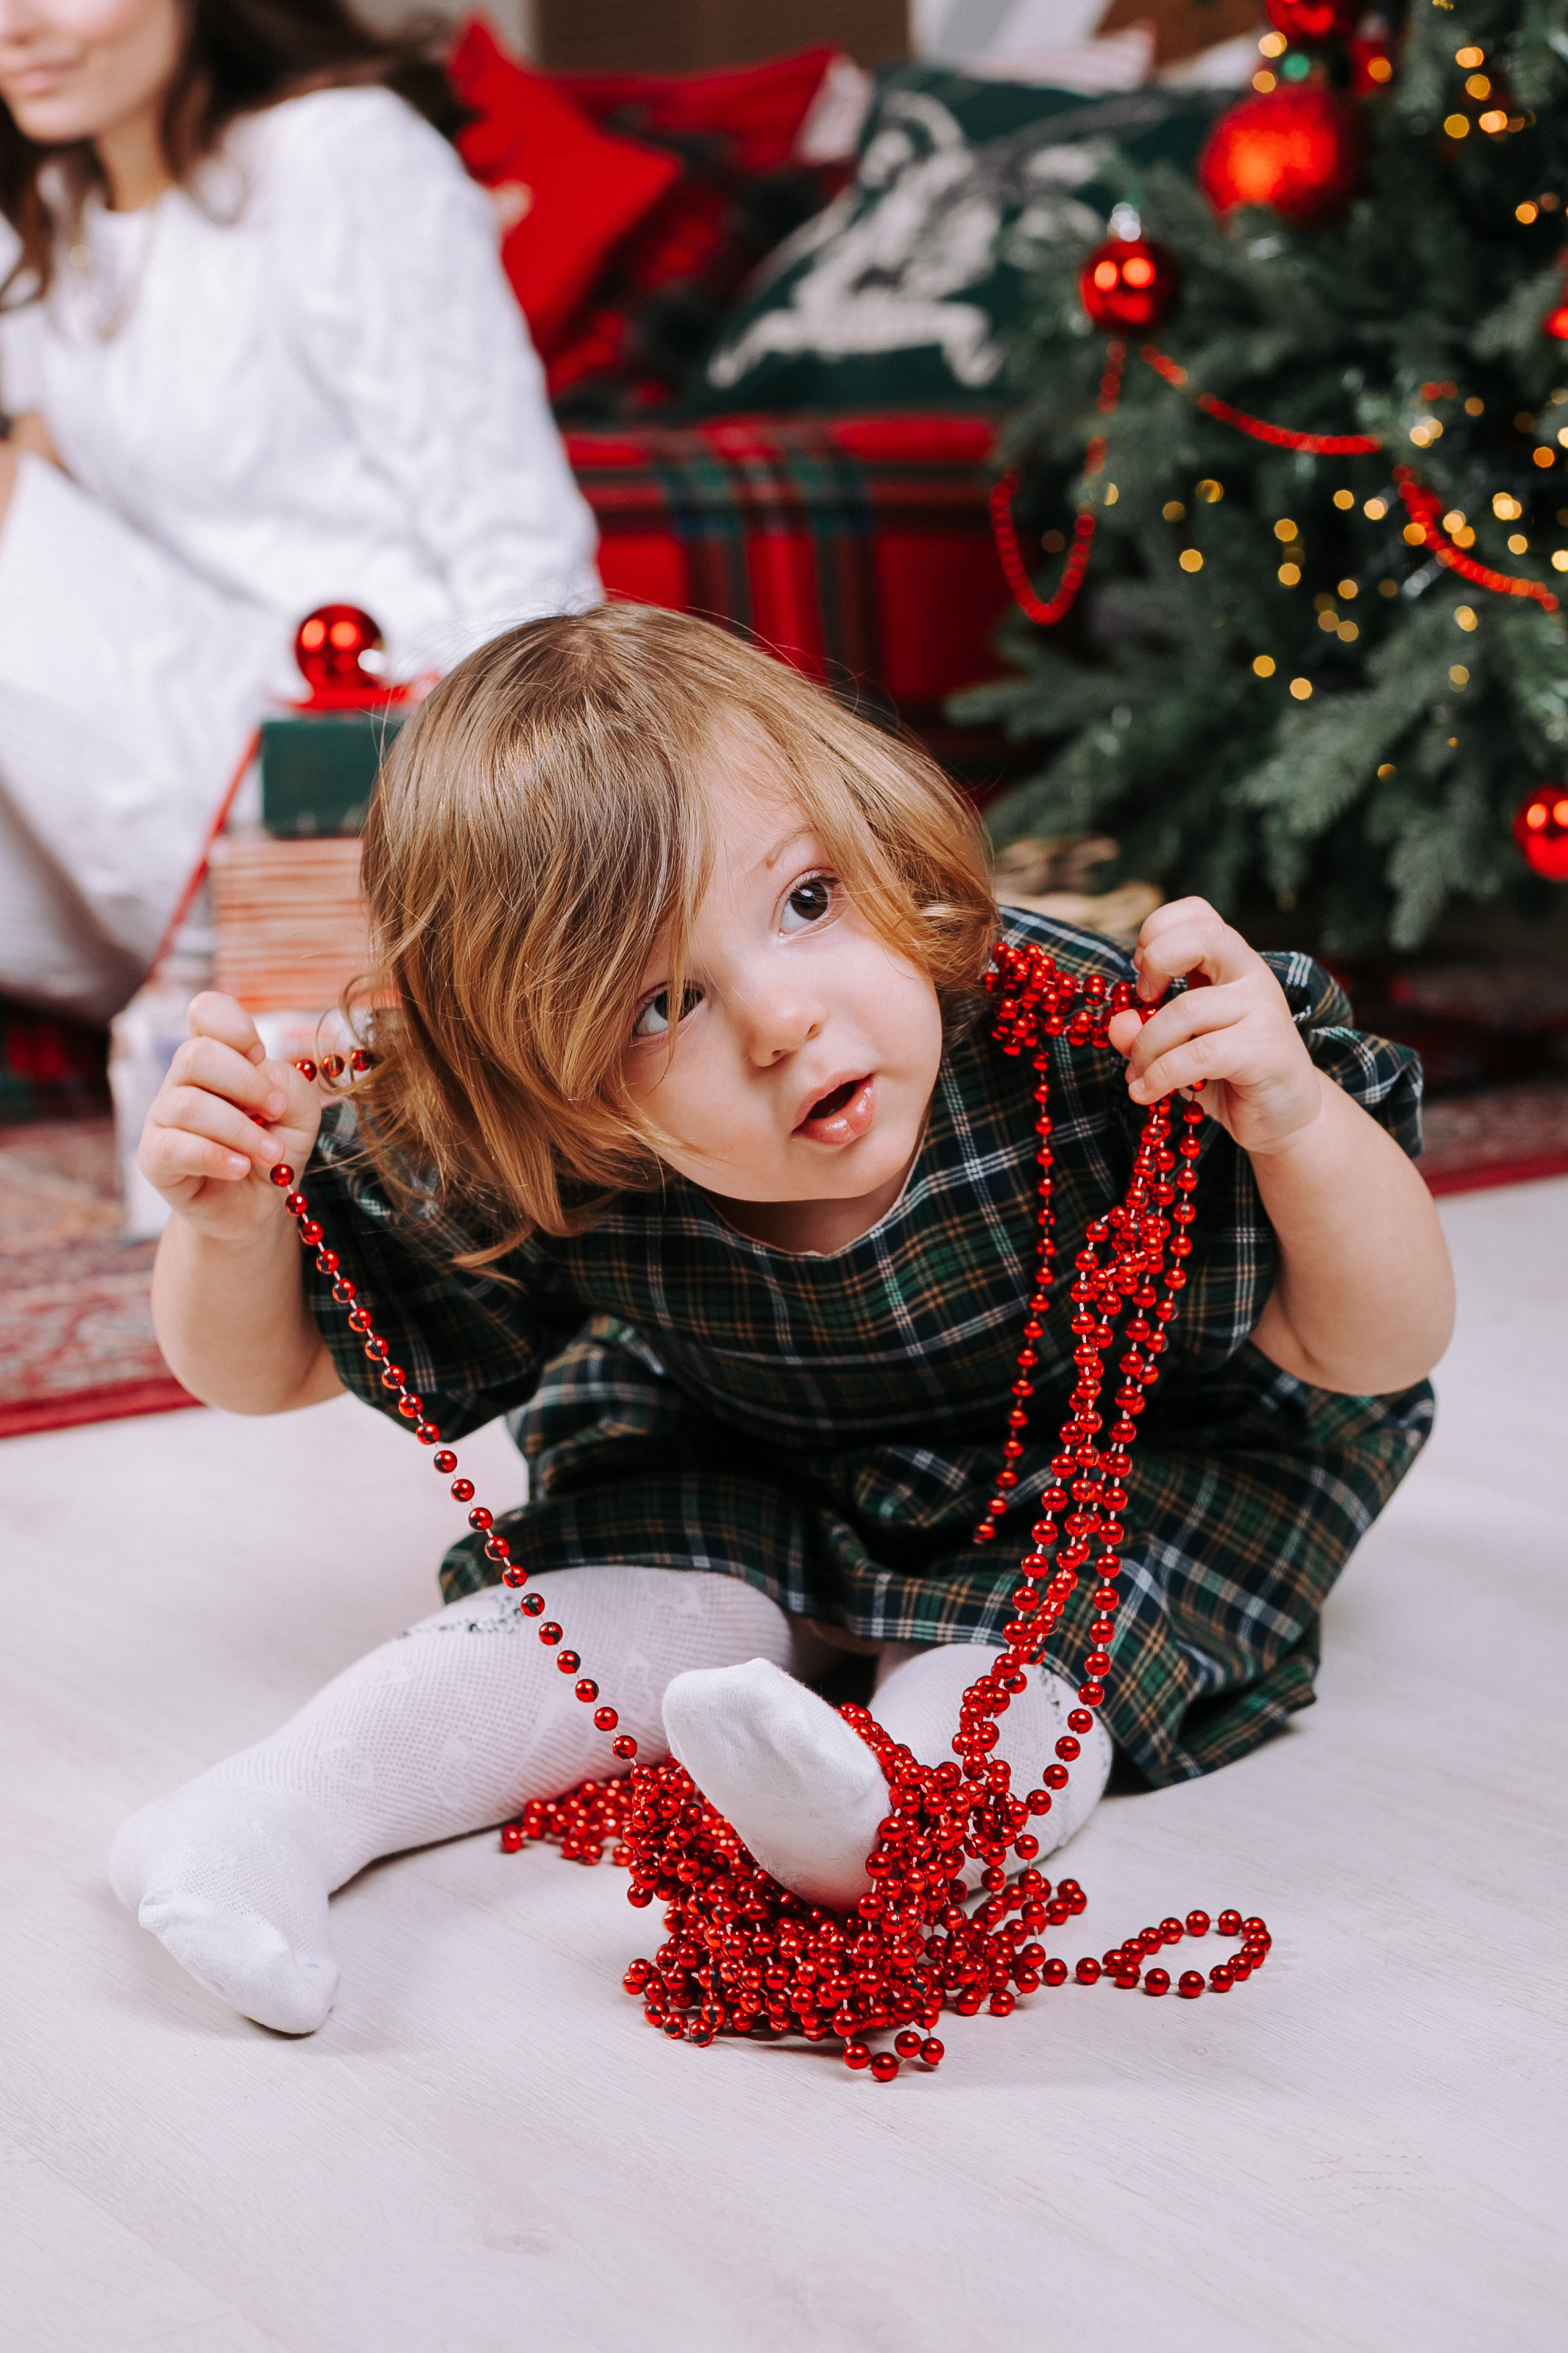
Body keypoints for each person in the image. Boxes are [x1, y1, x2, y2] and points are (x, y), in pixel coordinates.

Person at [111, 605, 1453, 2037]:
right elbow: (276, 1369)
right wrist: (230, 1225)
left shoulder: (1098, 1048)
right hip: (746, 1444)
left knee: (1047, 1647)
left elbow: (1372, 1347)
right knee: (617, 1594)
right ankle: (276, 1812)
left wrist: (1298, 1120)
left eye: (805, 900)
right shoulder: (571, 1159)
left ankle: (889, 1819)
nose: (782, 1021)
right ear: (547, 1087)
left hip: (1112, 1465)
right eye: (662, 1001)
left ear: (875, 831)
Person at [0, 0, 598, 1022]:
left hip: (379, 765)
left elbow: (521, 548)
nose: (14, 26)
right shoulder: (50, 206)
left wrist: (522, 850)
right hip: (167, 762)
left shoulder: (341, 156)